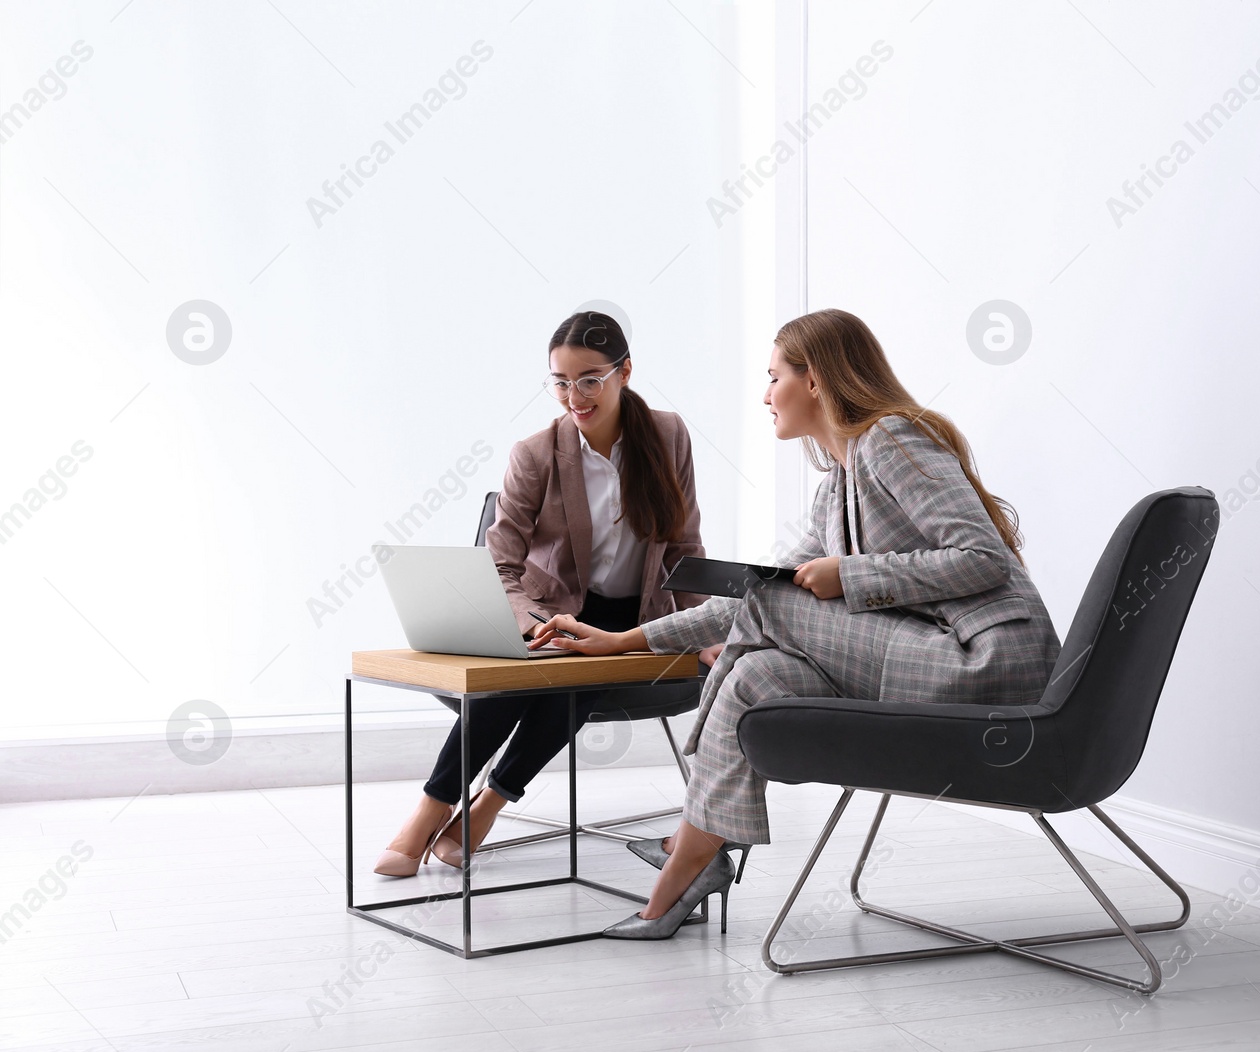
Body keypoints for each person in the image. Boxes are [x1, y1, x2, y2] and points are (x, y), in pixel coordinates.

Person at [528, 308, 1061, 937]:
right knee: (759, 670)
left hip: (986, 661)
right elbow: (753, 596)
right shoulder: (835, 486)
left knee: (772, 606)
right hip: (926, 657)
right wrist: (624, 639)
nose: (765, 393)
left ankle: (689, 841)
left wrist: (854, 576)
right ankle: (695, 856)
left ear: (816, 382)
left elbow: (983, 558)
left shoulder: (892, 438)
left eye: (774, 375)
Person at [374, 311, 709, 876]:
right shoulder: (535, 454)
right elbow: (499, 564)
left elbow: (685, 549)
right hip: (549, 614)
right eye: (560, 381)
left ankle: (484, 807)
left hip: (634, 622)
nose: (573, 395)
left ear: (624, 372)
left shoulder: (668, 434)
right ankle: (434, 808)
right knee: (526, 679)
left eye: (588, 379)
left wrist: (700, 632)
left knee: (574, 680)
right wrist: (534, 624)